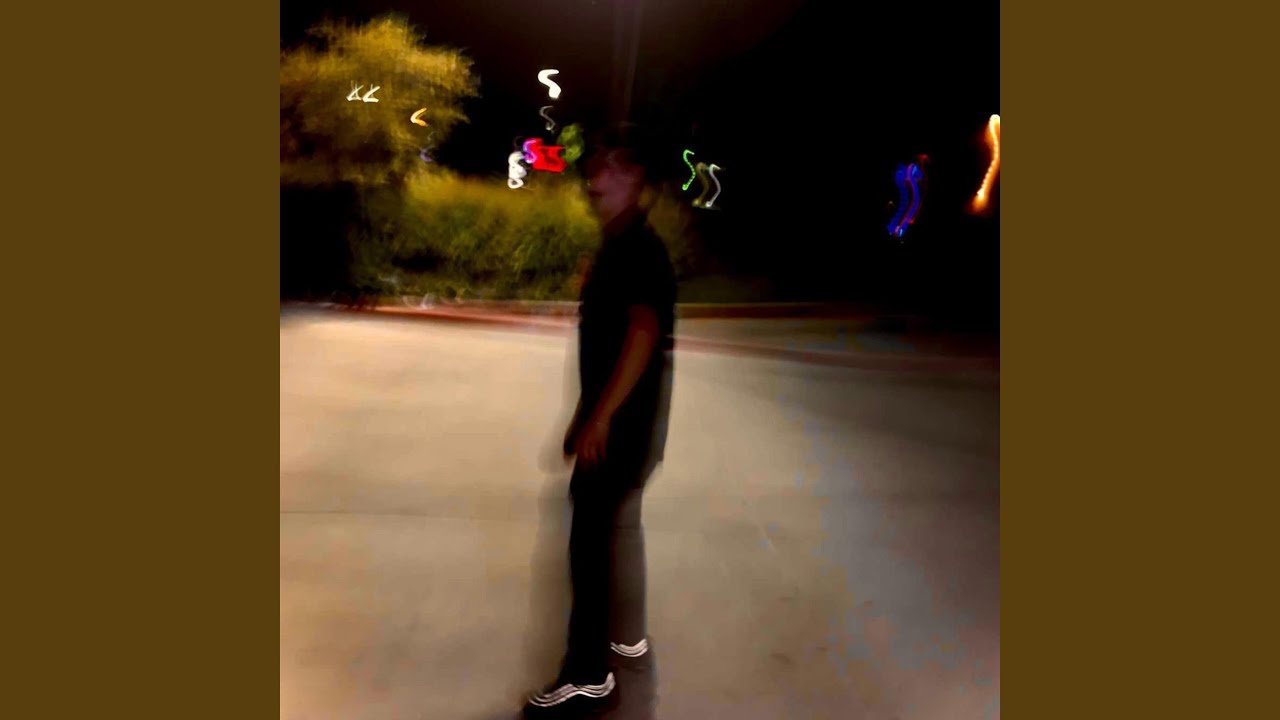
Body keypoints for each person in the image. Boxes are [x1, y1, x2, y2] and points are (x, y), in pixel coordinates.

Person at [524, 126, 676, 719]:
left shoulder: (638, 247)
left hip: (622, 430)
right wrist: (585, 418)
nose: (595, 177)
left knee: (588, 548)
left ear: (634, 179)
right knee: (610, 533)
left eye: (610, 168)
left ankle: (588, 676)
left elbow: (642, 333)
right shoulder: (620, 243)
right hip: (621, 427)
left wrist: (602, 420)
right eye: (594, 167)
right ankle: (624, 640)